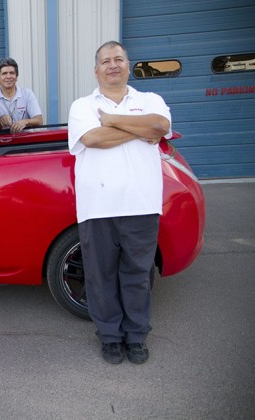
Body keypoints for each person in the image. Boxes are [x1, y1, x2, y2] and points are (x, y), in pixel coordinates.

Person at [67, 41, 172, 365]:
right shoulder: (82, 106)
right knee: (101, 276)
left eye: (119, 59)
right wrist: (140, 129)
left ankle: (136, 336)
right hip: (98, 207)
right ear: (96, 70)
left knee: (137, 275)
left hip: (141, 206)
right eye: (106, 61)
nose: (113, 65)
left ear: (129, 65)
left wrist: (111, 120)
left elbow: (161, 126)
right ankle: (110, 337)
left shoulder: (149, 100)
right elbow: (92, 139)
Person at [0, 57, 43, 133]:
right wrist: (0, 121)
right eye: (4, 73)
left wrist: (24, 122)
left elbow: (39, 120)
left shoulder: (27, 93)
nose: (8, 77)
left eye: (12, 73)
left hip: (26, 140)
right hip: (2, 142)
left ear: (16, 77)